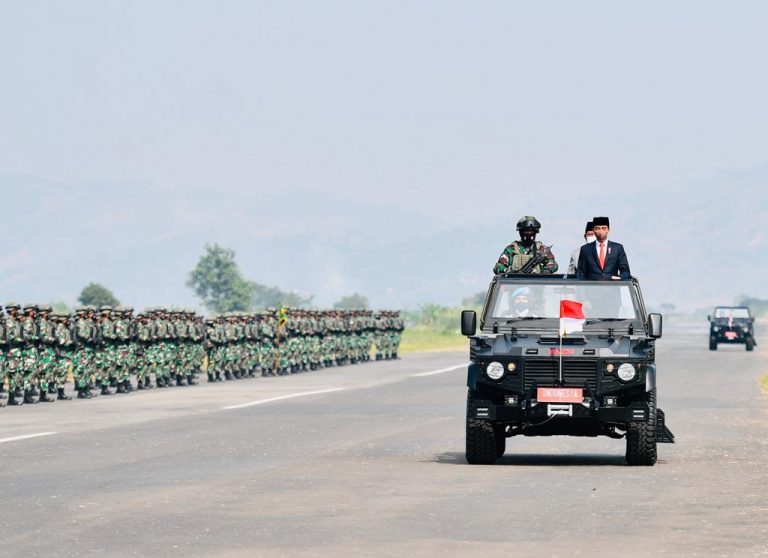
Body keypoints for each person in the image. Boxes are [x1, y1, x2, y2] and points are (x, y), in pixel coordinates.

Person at [493, 216, 558, 274]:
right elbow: (498, 267)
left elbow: (553, 264)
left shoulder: (542, 249)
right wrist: (513, 273)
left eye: (531, 231)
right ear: (520, 232)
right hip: (513, 285)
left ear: (536, 232)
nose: (529, 233)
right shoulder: (511, 249)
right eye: (526, 231)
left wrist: (546, 271)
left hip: (536, 285)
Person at [576, 216, 631, 280]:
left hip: (612, 287)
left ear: (608, 230)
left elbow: (625, 271)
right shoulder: (585, 249)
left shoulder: (617, 248)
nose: (601, 231)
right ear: (593, 230)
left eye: (603, 228)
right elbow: (581, 273)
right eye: (597, 228)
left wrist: (619, 278)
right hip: (591, 288)